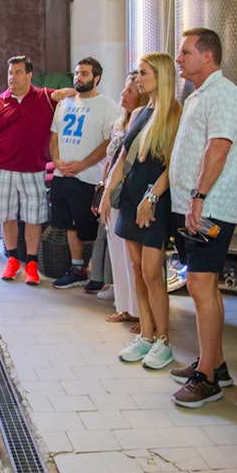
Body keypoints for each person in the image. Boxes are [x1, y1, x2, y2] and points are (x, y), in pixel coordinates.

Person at [166, 28, 237, 407]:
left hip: (210, 208)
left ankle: (207, 379)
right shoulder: (199, 94)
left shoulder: (224, 93)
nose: (178, 59)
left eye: (185, 52)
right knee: (205, 287)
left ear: (207, 56)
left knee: (199, 286)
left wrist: (198, 197)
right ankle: (216, 362)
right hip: (194, 206)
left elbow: (219, 147)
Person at [99, 53, 181, 370]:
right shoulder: (140, 113)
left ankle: (164, 340)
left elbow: (172, 166)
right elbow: (123, 158)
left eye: (143, 73)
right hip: (131, 197)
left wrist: (151, 199)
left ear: (160, 76)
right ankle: (146, 334)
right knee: (137, 269)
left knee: (152, 273)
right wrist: (108, 192)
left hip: (153, 201)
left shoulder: (175, 114)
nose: (137, 78)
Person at [0, 55, 58, 285]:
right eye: (10, 73)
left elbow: (68, 96)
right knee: (6, 216)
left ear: (29, 75)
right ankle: (13, 259)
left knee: (33, 218)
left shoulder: (45, 97)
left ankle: (32, 263)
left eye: (17, 72)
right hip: (2, 170)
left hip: (33, 170)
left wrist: (69, 93)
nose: (12, 78)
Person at [48, 57, 120, 289]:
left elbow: (110, 142)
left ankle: (98, 272)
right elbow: (54, 136)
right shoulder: (65, 103)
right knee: (69, 225)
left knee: (88, 227)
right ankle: (77, 268)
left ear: (96, 78)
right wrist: (57, 161)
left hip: (88, 177)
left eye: (85, 74)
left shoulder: (108, 106)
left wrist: (84, 164)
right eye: (77, 73)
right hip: (63, 176)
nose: (79, 78)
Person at [100, 71, 148, 327]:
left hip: (129, 191)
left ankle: (143, 313)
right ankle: (124, 305)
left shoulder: (142, 121)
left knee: (134, 258)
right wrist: (104, 187)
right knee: (116, 252)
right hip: (112, 189)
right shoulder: (121, 121)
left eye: (130, 90)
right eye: (124, 89)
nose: (124, 94)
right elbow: (111, 159)